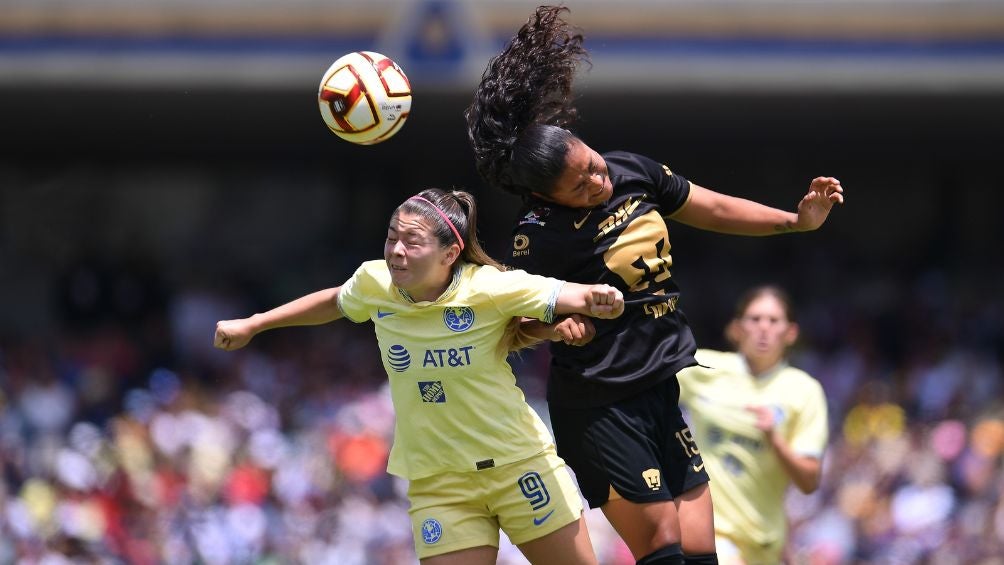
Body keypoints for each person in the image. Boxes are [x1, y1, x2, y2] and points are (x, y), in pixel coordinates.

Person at [465, 6, 844, 565]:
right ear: (547, 198)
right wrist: (553, 324)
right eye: (582, 184)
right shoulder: (536, 238)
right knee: (663, 543)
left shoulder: (631, 171)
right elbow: (516, 317)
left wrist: (795, 220)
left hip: (659, 385)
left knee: (698, 549)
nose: (600, 180)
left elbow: (711, 206)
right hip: (599, 405)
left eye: (593, 164)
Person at [213, 188, 627, 565]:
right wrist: (255, 323)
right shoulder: (374, 283)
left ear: (450, 254)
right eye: (392, 236)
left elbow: (567, 295)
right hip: (439, 482)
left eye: (412, 241)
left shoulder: (489, 287)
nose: (396, 250)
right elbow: (335, 302)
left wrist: (600, 299)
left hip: (517, 465)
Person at [678, 286, 828, 565]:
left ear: (791, 332)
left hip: (765, 539)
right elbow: (647, 374)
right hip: (712, 531)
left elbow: (809, 481)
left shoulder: (804, 391)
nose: (763, 329)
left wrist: (775, 439)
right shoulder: (704, 369)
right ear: (736, 328)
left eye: (773, 321)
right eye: (754, 319)